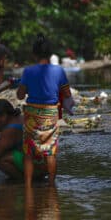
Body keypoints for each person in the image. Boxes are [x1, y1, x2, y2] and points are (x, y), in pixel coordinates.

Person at [17, 33, 75, 188]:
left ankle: (28, 187)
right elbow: (67, 94)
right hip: (51, 114)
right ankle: (51, 186)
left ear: (34, 53)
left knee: (29, 152)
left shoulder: (28, 71)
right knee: (50, 151)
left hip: (31, 115)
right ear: (50, 53)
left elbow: (20, 95)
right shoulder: (59, 71)